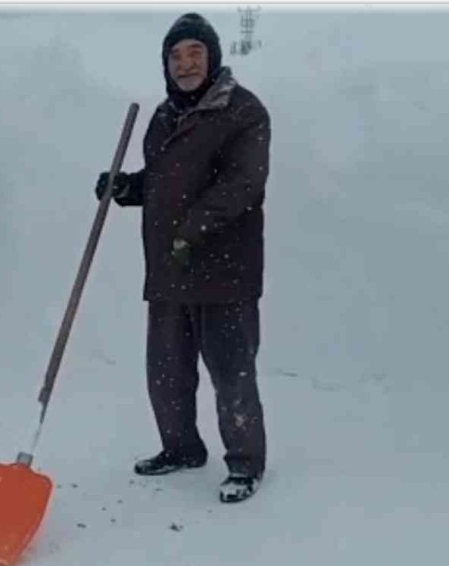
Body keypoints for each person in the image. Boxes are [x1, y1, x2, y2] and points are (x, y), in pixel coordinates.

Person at [95, 12, 270, 503]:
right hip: (171, 267)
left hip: (224, 269)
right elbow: (164, 180)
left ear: (212, 57)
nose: (185, 64)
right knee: (167, 370)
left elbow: (242, 185)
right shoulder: (165, 116)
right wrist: (128, 188)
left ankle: (245, 464)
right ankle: (181, 448)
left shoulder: (244, 112)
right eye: (175, 56)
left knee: (231, 371)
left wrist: (190, 231)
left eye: (195, 52)